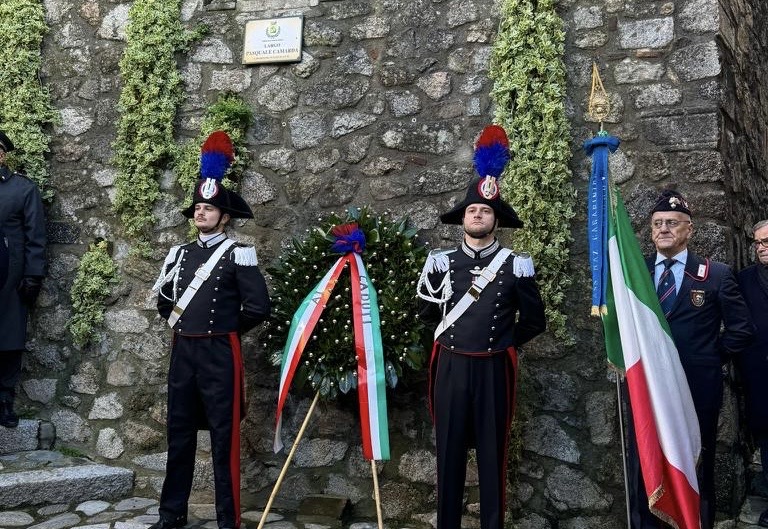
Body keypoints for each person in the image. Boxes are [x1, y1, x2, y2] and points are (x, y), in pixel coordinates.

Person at [417, 125, 546, 529]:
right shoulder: (440, 262)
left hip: (493, 367)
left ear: (496, 219)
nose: (478, 215)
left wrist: (502, 343)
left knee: (493, 454)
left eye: (485, 210)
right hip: (452, 366)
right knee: (449, 454)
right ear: (463, 218)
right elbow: (425, 316)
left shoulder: (515, 264)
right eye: (473, 210)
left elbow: (535, 320)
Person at [151, 131, 271, 529]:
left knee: (224, 438)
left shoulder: (239, 253)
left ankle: (227, 520)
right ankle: (171, 515)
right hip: (183, 351)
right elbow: (163, 300)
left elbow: (258, 307)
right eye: (198, 207)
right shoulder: (179, 254)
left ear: (225, 216)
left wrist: (223, 330)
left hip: (221, 353)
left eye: (208, 208)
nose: (200, 212)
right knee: (179, 434)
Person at [625, 189, 753, 529]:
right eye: (657, 224)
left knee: (697, 464)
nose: (663, 229)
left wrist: (710, 358)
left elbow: (742, 330)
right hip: (648, 387)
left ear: (689, 229)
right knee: (645, 464)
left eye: (672, 223)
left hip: (696, 387)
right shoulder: (634, 275)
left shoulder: (716, 274)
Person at [0, 130, 47, 429]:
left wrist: (32, 275)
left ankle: (5, 399)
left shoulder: (22, 189)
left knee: (9, 338)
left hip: (9, 277)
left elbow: (36, 236)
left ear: (3, 154)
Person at [736, 219, 768, 528]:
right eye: (757, 243)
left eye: (766, 242)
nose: (761, 248)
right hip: (760, 374)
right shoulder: (744, 280)